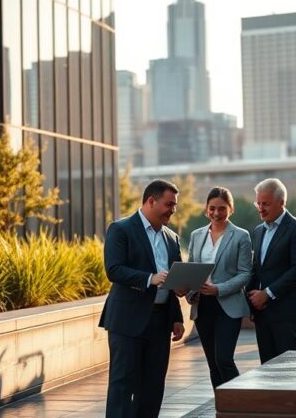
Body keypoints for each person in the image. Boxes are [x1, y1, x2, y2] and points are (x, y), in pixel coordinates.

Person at [100, 179, 186, 418]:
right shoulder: (120, 229)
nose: (173, 210)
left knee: (153, 386)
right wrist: (150, 278)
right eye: (169, 204)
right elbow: (114, 270)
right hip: (127, 321)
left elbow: (173, 278)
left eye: (175, 205)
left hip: (160, 323)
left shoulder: (172, 237)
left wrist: (177, 316)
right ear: (151, 201)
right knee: (122, 384)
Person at [186, 187, 252, 388]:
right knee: (213, 365)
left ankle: (238, 405)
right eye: (212, 208)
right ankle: (221, 408)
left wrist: (219, 289)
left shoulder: (241, 236)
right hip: (203, 306)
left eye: (222, 208)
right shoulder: (197, 235)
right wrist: (191, 292)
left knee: (224, 359)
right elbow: (190, 268)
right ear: (206, 209)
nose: (216, 213)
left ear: (231, 209)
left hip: (228, 306)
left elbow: (245, 273)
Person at [246, 178, 296, 364]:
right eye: (258, 203)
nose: (260, 208)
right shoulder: (258, 231)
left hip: (285, 309)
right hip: (262, 311)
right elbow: (256, 269)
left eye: (265, 203)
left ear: (281, 202)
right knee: (267, 365)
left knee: (289, 366)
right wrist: (252, 301)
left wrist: (267, 293)